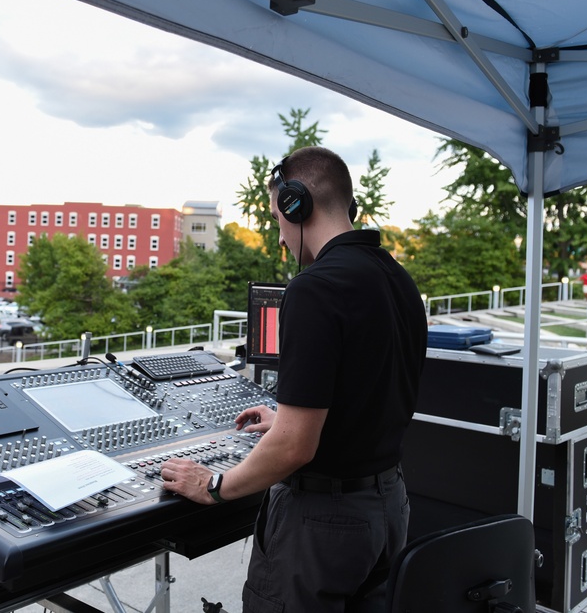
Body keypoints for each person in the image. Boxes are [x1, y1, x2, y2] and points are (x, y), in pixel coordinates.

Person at [159, 146, 428, 612]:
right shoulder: (398, 278)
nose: (282, 239)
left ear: (295, 205)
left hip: (324, 527)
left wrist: (214, 485)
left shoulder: (314, 288)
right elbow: (369, 390)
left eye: (278, 220)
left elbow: (295, 447)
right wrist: (287, 415)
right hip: (389, 509)